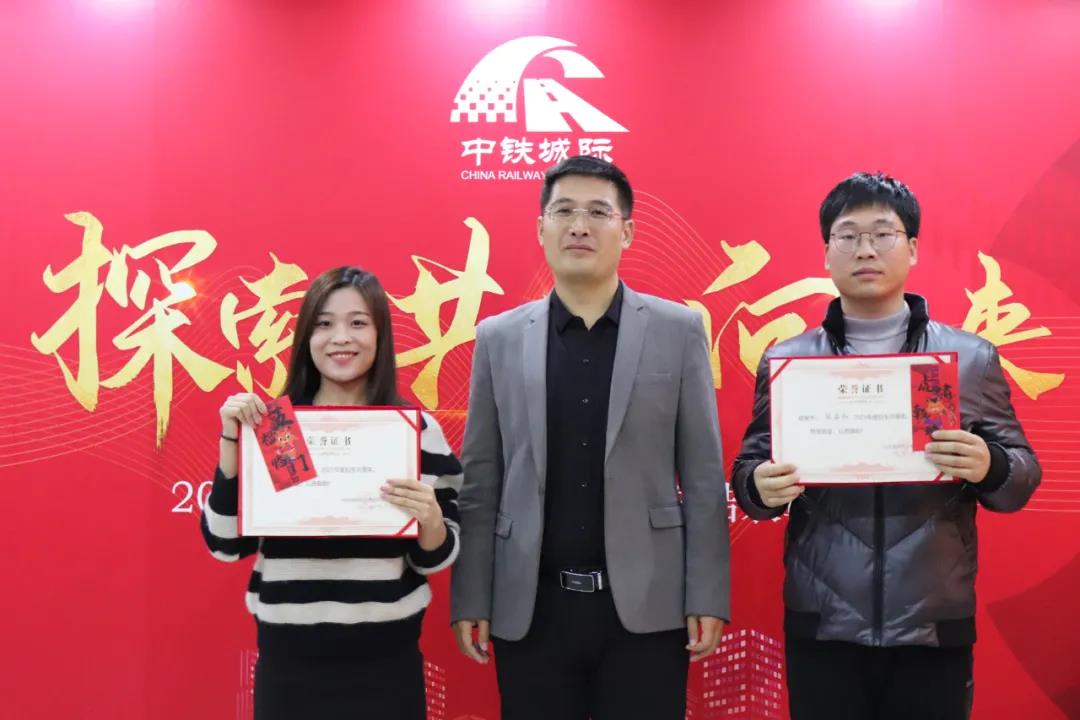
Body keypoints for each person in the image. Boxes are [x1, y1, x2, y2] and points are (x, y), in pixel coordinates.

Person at [731, 172, 1041, 720]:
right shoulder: (789, 362)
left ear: (912, 248)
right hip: (823, 624)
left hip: (932, 624)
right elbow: (749, 472)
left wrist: (989, 465)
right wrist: (758, 487)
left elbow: (1021, 478)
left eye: (882, 234)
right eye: (848, 235)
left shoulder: (969, 359)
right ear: (827, 252)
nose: (865, 249)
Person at [450, 156, 731, 720]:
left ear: (627, 231)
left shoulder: (678, 331)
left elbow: (703, 478)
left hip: (647, 606)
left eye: (599, 213)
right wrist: (472, 595)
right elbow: (480, 480)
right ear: (541, 228)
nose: (579, 226)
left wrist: (706, 594)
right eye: (564, 211)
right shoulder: (499, 338)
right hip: (531, 606)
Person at [200, 266, 462, 720]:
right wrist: (231, 443)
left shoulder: (414, 431)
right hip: (288, 669)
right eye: (324, 324)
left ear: (380, 335)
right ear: (307, 337)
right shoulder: (277, 428)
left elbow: (435, 558)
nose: (341, 337)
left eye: (358, 323)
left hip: (387, 667)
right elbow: (224, 545)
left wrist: (432, 521)